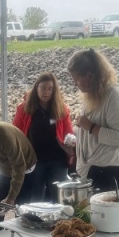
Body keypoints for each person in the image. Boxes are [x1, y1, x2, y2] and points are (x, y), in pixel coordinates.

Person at [67, 48, 119, 237]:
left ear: (91, 75)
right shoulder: (95, 94)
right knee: (93, 219)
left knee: (103, 221)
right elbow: (90, 126)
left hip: (109, 168)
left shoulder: (114, 95)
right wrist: (80, 132)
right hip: (94, 167)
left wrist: (91, 128)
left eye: (78, 80)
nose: (76, 85)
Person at [12, 72, 75, 202]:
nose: (46, 92)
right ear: (36, 87)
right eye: (43, 88)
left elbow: (68, 132)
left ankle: (58, 215)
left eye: (50, 89)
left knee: (59, 197)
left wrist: (71, 141)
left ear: (54, 91)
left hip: (57, 159)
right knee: (35, 197)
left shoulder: (62, 109)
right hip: (35, 160)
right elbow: (15, 132)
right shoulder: (24, 108)